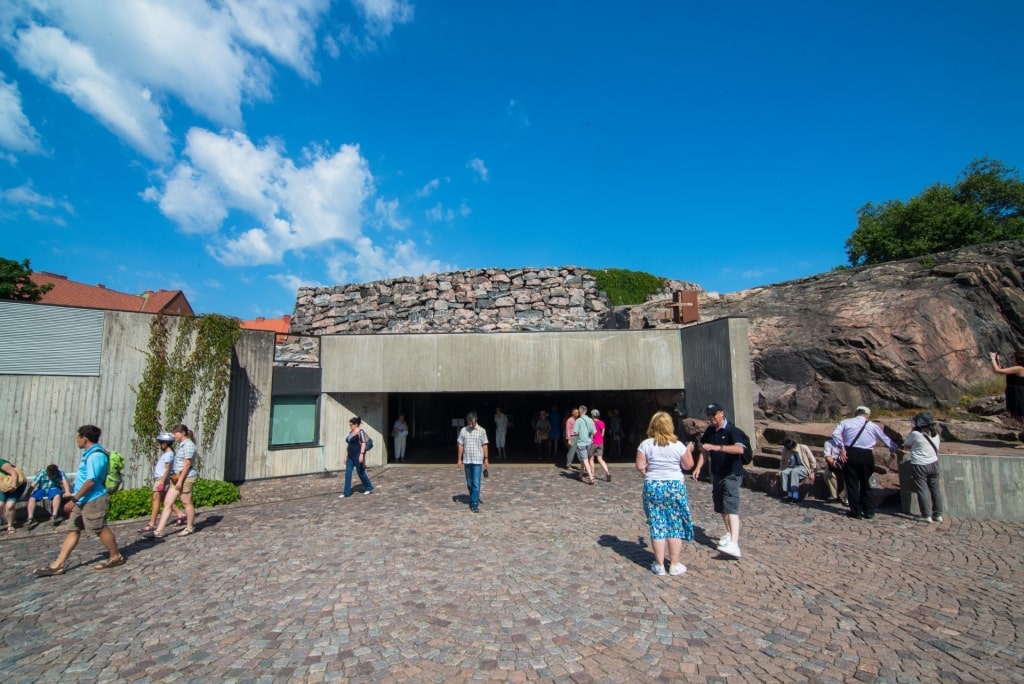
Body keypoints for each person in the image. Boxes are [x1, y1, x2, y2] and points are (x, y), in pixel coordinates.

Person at [32, 425, 123, 576]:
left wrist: (74, 499)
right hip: (82, 500)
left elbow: (91, 481)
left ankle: (116, 556)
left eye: (78, 437)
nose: (77, 440)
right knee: (72, 530)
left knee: (100, 528)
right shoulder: (89, 454)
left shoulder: (95, 455)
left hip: (93, 499)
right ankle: (58, 564)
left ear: (84, 438)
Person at [636, 411, 695, 575]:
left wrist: (651, 475)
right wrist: (689, 449)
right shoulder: (678, 445)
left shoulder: (646, 444)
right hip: (675, 485)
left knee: (657, 523)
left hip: (653, 485)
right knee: (675, 524)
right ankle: (674, 564)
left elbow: (640, 466)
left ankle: (660, 564)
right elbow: (688, 465)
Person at [698, 402, 751, 559]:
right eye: (709, 415)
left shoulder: (731, 430)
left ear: (721, 413)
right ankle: (729, 533)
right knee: (721, 506)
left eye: (713, 414)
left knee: (731, 506)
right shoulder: (710, 430)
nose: (711, 418)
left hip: (732, 473)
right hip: (717, 474)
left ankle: (734, 543)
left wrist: (718, 448)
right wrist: (698, 467)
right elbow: (704, 449)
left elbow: (740, 449)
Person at [831, 406, 899, 520]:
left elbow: (835, 434)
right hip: (866, 455)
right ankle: (868, 510)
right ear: (867, 415)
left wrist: (841, 448)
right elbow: (885, 438)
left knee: (852, 484)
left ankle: (855, 511)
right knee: (865, 483)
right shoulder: (872, 425)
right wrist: (895, 448)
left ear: (856, 413)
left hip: (850, 453)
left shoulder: (845, 422)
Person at [149, 424, 201, 537]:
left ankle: (189, 527)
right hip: (176, 476)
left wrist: (180, 480)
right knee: (167, 502)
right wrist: (175, 478)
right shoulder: (181, 445)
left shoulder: (188, 445)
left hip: (186, 477)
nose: (174, 436)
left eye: (176, 433)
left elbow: (187, 464)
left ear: (183, 433)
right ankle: (158, 531)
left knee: (186, 502)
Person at [903, 412, 944, 523]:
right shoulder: (936, 434)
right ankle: (938, 514)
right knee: (935, 490)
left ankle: (926, 515)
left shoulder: (916, 434)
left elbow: (905, 444)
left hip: (920, 464)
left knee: (922, 489)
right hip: (934, 463)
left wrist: (912, 431)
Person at [139, 432, 184, 533]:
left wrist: (162, 483)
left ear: (164, 444)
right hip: (161, 479)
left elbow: (167, 469)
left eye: (160, 443)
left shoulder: (169, 454)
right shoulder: (169, 454)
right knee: (166, 500)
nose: (158, 445)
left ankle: (152, 524)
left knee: (156, 500)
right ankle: (180, 514)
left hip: (161, 479)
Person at [456, 411, 489, 513]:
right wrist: (459, 459)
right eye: (469, 422)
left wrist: (486, 458)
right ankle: (473, 496)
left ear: (476, 420)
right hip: (467, 460)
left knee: (476, 483)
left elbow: (484, 445)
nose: (470, 424)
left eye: (472, 422)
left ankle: (474, 503)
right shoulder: (463, 431)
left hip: (478, 460)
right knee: (469, 483)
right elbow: (460, 445)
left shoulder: (482, 431)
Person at [989, 351, 1024, 446]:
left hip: (1019, 393)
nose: (1011, 358)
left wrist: (992, 359)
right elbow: (1001, 369)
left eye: (1013, 357)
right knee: (1015, 414)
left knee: (1019, 414)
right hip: (1013, 393)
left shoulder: (1019, 368)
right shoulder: (1015, 368)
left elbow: (998, 371)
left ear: (1017, 359)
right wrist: (997, 360)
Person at [25, 464, 72, 529]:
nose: (51, 476)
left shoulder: (60, 472)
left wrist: (67, 492)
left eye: (53, 475)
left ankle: (54, 515)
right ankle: (30, 518)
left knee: (57, 495)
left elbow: (64, 482)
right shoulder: (42, 473)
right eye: (50, 475)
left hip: (54, 488)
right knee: (32, 498)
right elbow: (33, 484)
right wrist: (28, 494)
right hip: (42, 489)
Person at [340, 416, 375, 498]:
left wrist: (361, 454)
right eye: (350, 424)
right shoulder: (350, 433)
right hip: (350, 456)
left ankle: (368, 487)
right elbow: (348, 445)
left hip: (357, 455)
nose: (350, 426)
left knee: (361, 472)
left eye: (351, 424)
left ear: (356, 425)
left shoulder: (360, 432)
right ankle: (346, 493)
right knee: (348, 473)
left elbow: (363, 443)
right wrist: (345, 456)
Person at [778, 438, 815, 503]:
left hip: (803, 467)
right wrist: (780, 470)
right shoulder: (785, 449)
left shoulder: (803, 448)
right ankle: (789, 494)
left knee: (794, 472)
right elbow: (783, 461)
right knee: (784, 473)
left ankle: (795, 495)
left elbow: (812, 460)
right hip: (791, 466)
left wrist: (812, 472)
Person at [1, 457, 28, 535]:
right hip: (2, 486)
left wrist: (14, 485)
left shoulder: (1, 462)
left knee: (10, 505)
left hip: (16, 485)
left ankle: (10, 526)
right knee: (0, 505)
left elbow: (14, 473)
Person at [573, 404, 597, 484]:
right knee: (584, 459)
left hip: (581, 443)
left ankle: (590, 477)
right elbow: (594, 432)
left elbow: (575, 432)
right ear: (586, 411)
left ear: (580, 411)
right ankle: (580, 474)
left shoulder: (578, 420)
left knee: (585, 460)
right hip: (589, 442)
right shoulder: (590, 420)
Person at [821, 439, 847, 505]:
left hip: (846, 464)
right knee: (827, 473)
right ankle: (834, 496)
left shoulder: (848, 441)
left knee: (849, 476)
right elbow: (827, 456)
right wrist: (833, 463)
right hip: (834, 464)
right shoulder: (828, 443)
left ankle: (847, 498)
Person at [590, 409, 611, 482]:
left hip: (593, 442)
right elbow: (603, 434)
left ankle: (592, 474)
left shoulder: (591, 423)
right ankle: (607, 472)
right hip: (600, 443)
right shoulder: (602, 423)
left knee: (591, 459)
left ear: (592, 415)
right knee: (600, 459)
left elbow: (591, 433)